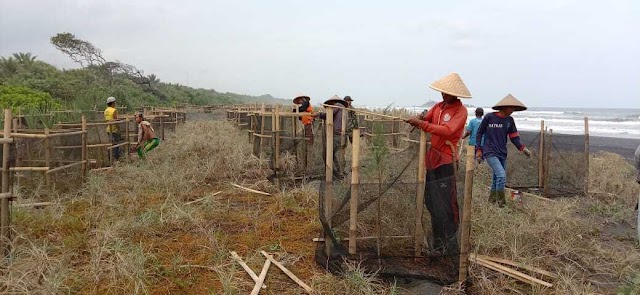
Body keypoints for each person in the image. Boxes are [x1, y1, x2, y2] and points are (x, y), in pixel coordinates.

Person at [405, 72, 471, 253]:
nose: (443, 95)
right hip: (432, 159)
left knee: (447, 204)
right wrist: (419, 118)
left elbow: (448, 131)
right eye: (442, 91)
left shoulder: (460, 111)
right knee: (432, 201)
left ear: (455, 94)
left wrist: (422, 125)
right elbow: (426, 119)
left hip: (446, 161)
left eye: (446, 92)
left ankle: (451, 242)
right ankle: (438, 240)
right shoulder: (438, 106)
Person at [475, 94, 532, 207]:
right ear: (504, 107)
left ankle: (491, 202)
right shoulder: (489, 117)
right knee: (501, 176)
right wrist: (479, 150)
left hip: (502, 153)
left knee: (496, 178)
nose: (513, 110)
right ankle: (501, 203)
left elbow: (514, 137)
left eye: (514, 108)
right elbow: (479, 133)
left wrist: (523, 148)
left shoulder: (510, 120)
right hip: (490, 152)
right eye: (511, 108)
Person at [316, 95, 348, 180]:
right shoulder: (342, 108)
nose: (329, 107)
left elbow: (329, 114)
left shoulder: (337, 105)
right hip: (341, 134)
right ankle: (340, 172)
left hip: (337, 134)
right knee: (334, 154)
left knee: (328, 154)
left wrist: (318, 114)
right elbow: (329, 115)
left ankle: (337, 174)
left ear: (331, 103)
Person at [104, 96, 121, 160]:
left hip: (108, 129)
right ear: (113, 103)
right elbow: (115, 121)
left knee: (110, 143)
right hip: (114, 129)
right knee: (116, 144)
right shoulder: (114, 110)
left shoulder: (106, 110)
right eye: (114, 102)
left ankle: (109, 158)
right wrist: (118, 129)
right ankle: (117, 159)